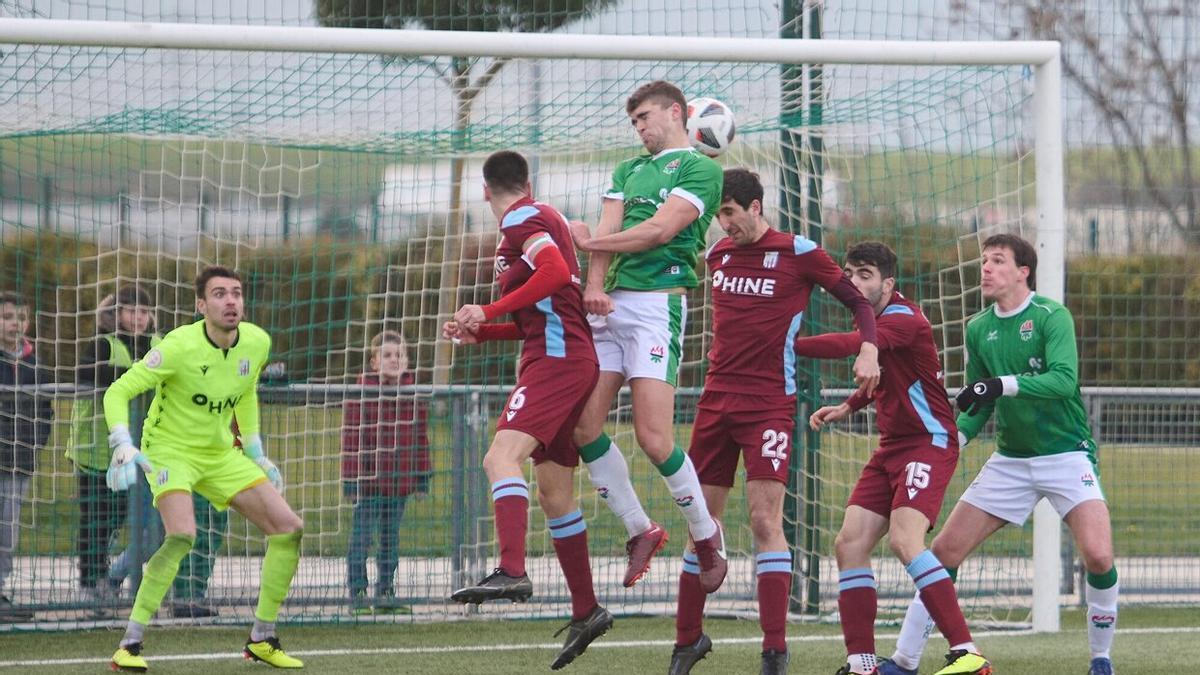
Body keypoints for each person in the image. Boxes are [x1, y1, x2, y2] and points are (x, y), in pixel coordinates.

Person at [667, 170, 880, 675]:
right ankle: (687, 640)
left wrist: (869, 346)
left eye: (730, 214)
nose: (724, 225)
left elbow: (856, 300)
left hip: (767, 405)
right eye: (718, 215)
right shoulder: (717, 255)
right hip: (716, 402)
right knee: (702, 527)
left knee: (765, 520)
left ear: (755, 207)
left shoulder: (799, 252)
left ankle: (775, 648)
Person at [885, 233, 1117, 675]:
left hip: (1066, 454)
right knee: (942, 552)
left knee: (1099, 556)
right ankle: (904, 660)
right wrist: (952, 438)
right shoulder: (978, 328)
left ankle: (1101, 659)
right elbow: (979, 403)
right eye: (984, 261)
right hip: (1011, 460)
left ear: (1023, 271)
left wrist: (1001, 383)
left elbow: (1063, 381)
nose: (985, 269)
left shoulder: (1052, 316)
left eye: (997, 261)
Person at [445, 150, 611, 670]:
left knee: (500, 458)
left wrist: (487, 307)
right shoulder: (542, 220)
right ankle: (586, 609)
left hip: (557, 361)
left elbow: (558, 272)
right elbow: (539, 310)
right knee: (555, 492)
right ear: (527, 179)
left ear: (484, 189)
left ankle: (511, 568)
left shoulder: (521, 217)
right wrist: (485, 330)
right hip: (560, 354)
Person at [794, 242, 989, 675]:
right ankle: (863, 663)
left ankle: (967, 653)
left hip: (929, 441)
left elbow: (855, 345)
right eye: (849, 273)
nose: (854, 282)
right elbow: (885, 375)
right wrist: (849, 405)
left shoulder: (903, 318)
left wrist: (787, 342)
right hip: (892, 448)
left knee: (905, 540)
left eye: (865, 274)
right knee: (850, 544)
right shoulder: (876, 320)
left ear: (888, 283)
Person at [104, 265, 305, 671]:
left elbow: (245, 390)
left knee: (289, 529)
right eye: (219, 294)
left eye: (236, 293)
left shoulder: (256, 341)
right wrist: (122, 443)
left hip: (218, 453)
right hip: (169, 450)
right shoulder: (178, 346)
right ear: (201, 305)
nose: (230, 301)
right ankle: (130, 644)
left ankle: (262, 638)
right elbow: (118, 389)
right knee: (182, 535)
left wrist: (255, 451)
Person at [567, 80, 724, 591]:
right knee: (583, 428)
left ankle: (705, 536)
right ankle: (640, 529)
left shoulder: (701, 167)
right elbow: (607, 231)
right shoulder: (628, 169)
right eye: (633, 122)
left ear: (675, 113)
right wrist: (593, 286)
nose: (640, 129)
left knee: (654, 438)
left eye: (645, 118)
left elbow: (658, 231)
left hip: (657, 307)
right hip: (609, 309)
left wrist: (592, 239)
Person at [70, 287, 162, 610]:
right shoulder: (102, 344)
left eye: (143, 311)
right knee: (95, 519)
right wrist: (135, 376)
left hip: (137, 452)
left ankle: (109, 577)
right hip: (94, 449)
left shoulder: (157, 345)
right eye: (131, 311)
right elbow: (87, 374)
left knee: (126, 518)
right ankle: (90, 584)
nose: (138, 318)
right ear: (116, 314)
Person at [342, 329, 431, 615]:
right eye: (387, 355)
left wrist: (421, 478)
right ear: (374, 362)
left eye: (399, 355)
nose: (394, 360)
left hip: (399, 482)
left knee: (390, 539)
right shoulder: (362, 394)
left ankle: (386, 590)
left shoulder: (413, 395)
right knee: (362, 537)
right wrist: (351, 481)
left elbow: (420, 438)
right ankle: (357, 592)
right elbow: (351, 439)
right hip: (368, 483)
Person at [0, 291, 53, 622]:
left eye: (20, 318)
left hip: (18, 461)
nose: (14, 324)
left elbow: (45, 410)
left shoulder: (36, 364)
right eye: (7, 317)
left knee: (7, 530)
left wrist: (35, 443)